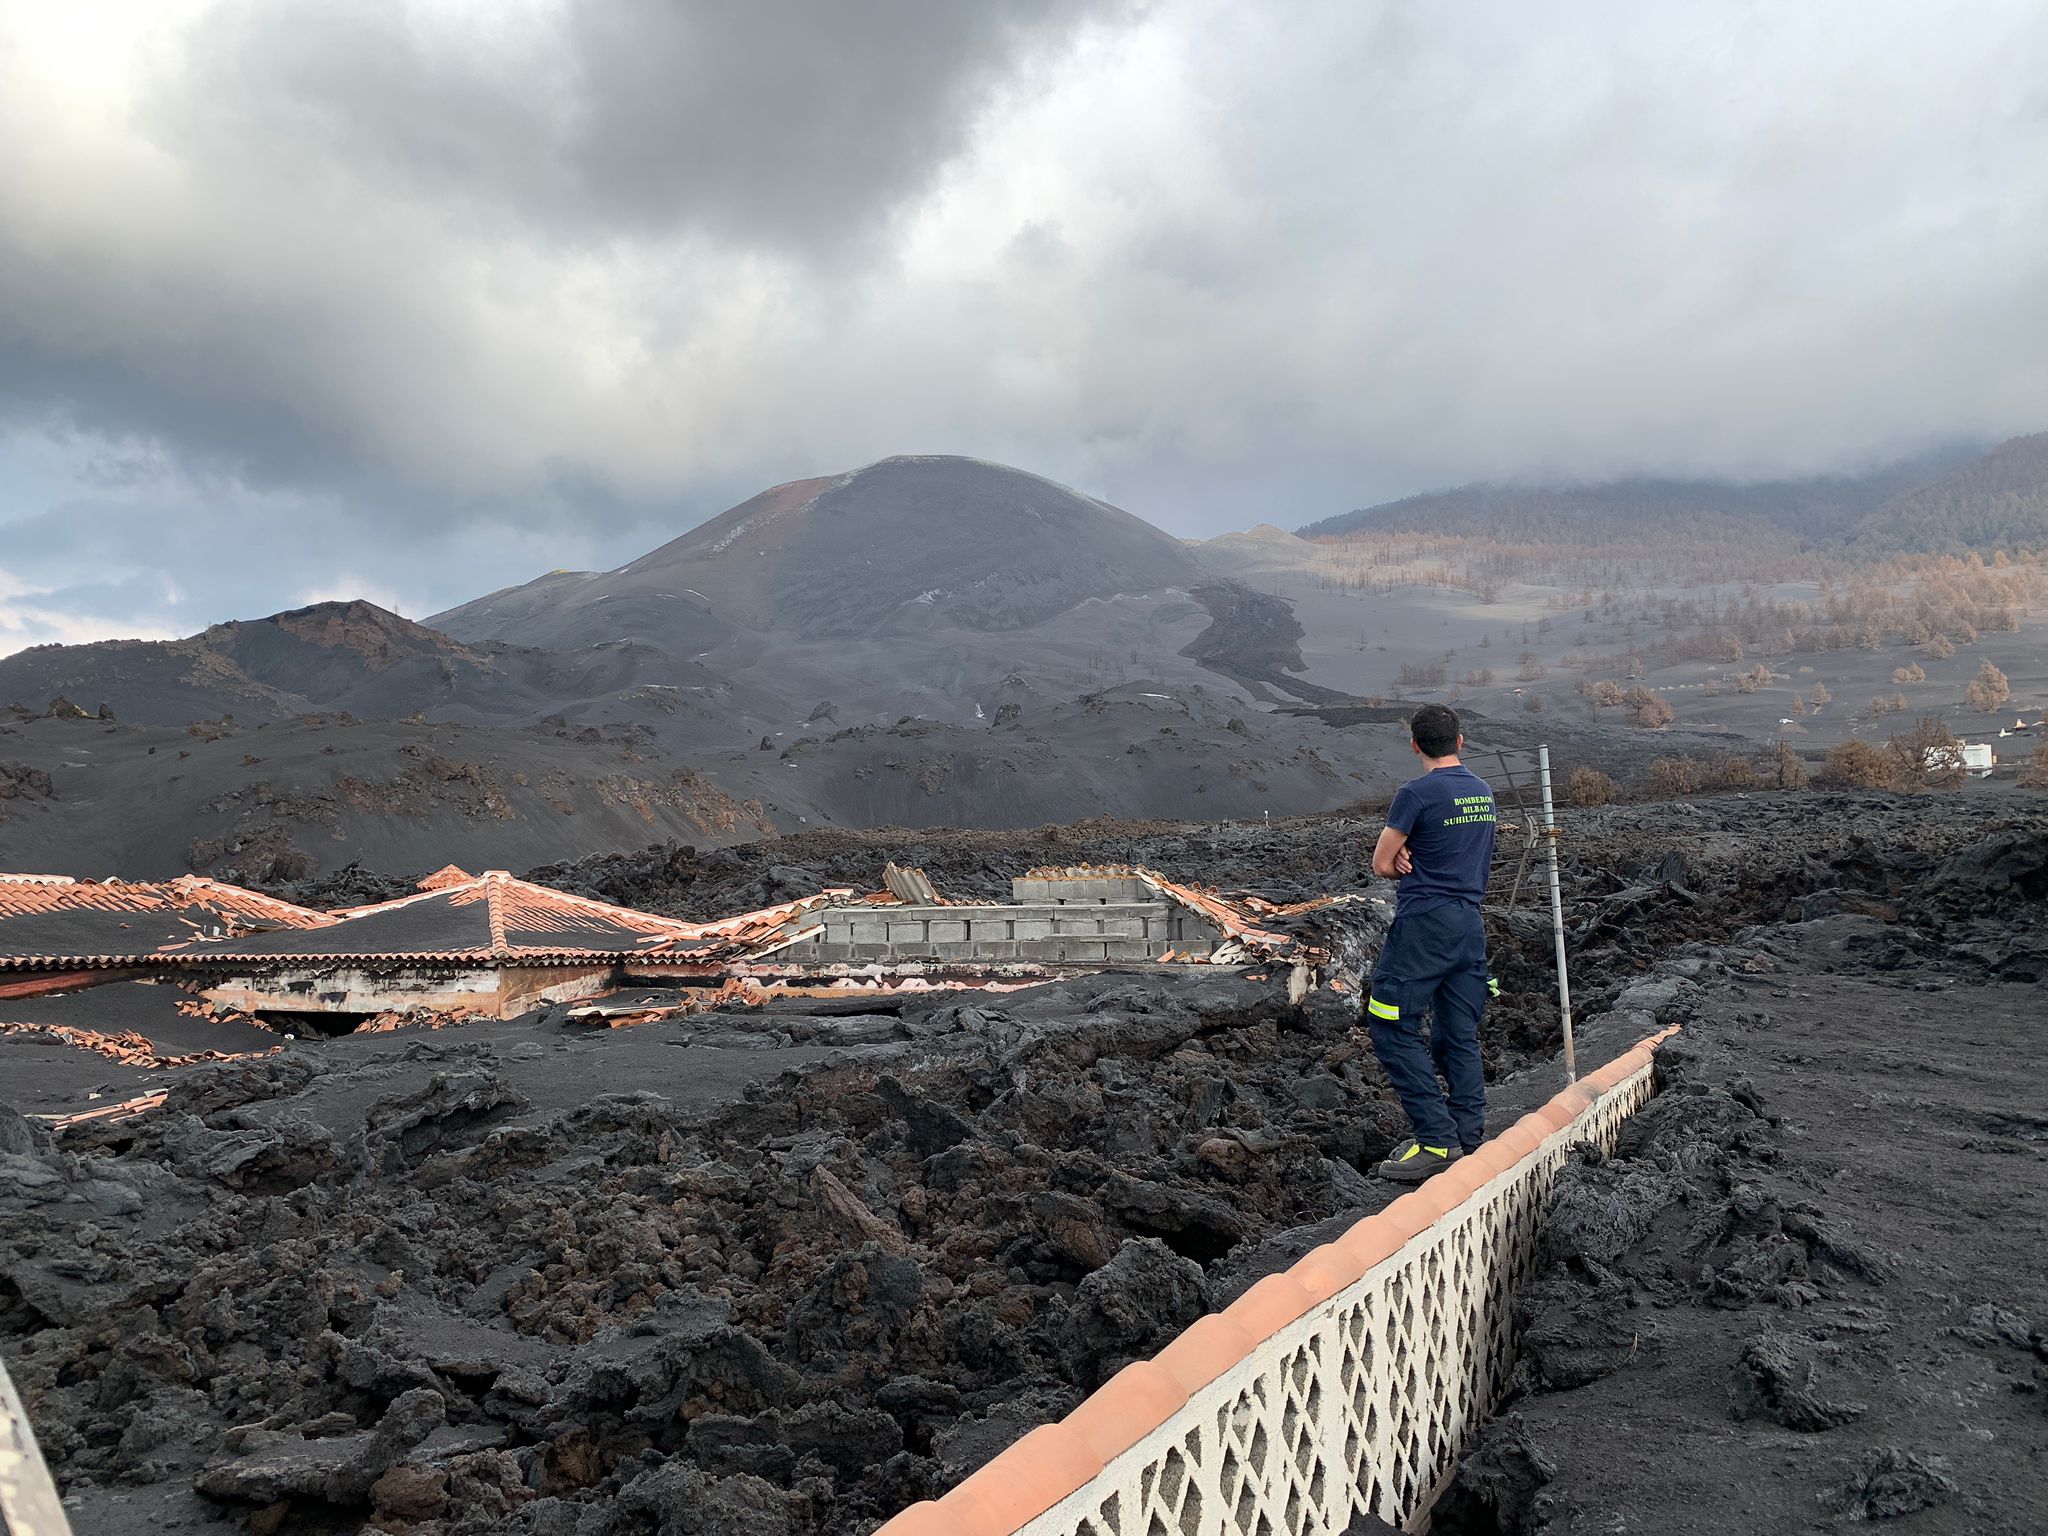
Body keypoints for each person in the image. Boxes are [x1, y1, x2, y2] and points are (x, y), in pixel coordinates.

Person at [1366, 704, 1497, 1181]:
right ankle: (1468, 1135)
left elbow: (1381, 864)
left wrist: (1402, 852)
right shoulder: (1482, 791)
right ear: (1461, 742)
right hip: (1470, 926)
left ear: (1415, 745)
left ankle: (1437, 1143)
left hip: (1425, 926)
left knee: (1388, 1023)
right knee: (1458, 1032)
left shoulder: (1415, 793)